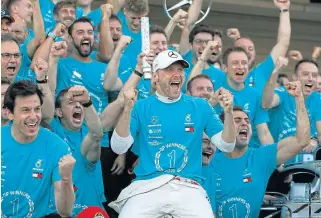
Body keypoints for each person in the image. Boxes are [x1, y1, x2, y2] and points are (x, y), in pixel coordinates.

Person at [108, 50, 236, 217]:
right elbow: (119, 147)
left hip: (188, 186)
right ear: (155, 77)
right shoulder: (140, 107)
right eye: (169, 70)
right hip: (147, 186)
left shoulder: (201, 106)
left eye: (180, 70)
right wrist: (126, 111)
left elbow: (227, 145)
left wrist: (229, 113)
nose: (176, 74)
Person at [213, 82, 310, 217]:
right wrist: (212, 101)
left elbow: (302, 140)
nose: (244, 123)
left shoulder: (261, 157)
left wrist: (299, 99)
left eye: (247, 121)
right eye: (237, 120)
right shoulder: (208, 160)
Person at [1, 80, 75, 217]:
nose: (34, 116)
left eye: (37, 109)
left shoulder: (57, 147)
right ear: (9, 113)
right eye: (25, 110)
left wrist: (66, 179)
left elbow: (65, 211)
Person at [47, 86, 106, 216]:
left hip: (90, 211)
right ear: (59, 112)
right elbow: (45, 112)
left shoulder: (87, 136)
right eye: (71, 103)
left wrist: (87, 103)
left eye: (80, 104)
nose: (78, 106)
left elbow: (96, 134)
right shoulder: (51, 132)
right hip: (57, 212)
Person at [262, 58, 321, 163]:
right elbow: (267, 103)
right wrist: (275, 73)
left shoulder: (317, 99)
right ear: (294, 77)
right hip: (279, 163)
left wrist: (315, 140)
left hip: (307, 167)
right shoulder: (283, 93)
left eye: (315, 75)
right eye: (305, 74)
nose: (311, 79)